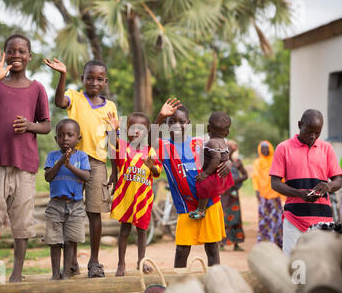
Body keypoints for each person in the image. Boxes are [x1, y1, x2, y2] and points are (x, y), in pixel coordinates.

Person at [0, 34, 51, 284]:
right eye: (11, 51)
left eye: (21, 51)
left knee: (22, 222)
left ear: (29, 57)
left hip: (25, 166)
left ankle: (17, 273)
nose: (16, 55)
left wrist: (29, 125)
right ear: (4, 54)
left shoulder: (37, 88)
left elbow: (47, 125)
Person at [45, 58, 118, 278]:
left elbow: (112, 137)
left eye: (99, 79)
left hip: (96, 164)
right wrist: (62, 75)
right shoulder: (75, 97)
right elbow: (59, 102)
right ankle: (71, 262)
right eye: (89, 78)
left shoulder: (110, 107)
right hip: (73, 160)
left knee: (94, 212)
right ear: (82, 79)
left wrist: (114, 169)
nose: (94, 82)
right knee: (71, 211)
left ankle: (94, 262)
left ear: (105, 81)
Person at [152, 99, 231, 268]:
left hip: (209, 204)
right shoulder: (164, 148)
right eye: (171, 122)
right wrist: (160, 116)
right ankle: (178, 286)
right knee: (182, 250)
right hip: (186, 207)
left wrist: (228, 162)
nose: (176, 126)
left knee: (212, 249)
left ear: (188, 123)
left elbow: (223, 149)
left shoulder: (200, 143)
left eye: (181, 122)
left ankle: (214, 284)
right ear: (166, 125)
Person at [270, 109, 342, 255]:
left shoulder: (327, 149)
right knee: (294, 266)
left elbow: (338, 180)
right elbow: (275, 183)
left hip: (323, 218)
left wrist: (328, 186)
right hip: (294, 218)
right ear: (299, 125)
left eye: (317, 133)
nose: (313, 136)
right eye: (309, 131)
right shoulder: (283, 148)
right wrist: (299, 193)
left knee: (321, 265)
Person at [104, 112, 162, 276]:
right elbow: (111, 147)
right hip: (126, 198)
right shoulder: (124, 149)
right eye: (133, 128)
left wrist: (151, 167)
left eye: (141, 128)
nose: (137, 131)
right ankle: (121, 263)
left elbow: (157, 172)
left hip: (143, 199)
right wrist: (114, 129)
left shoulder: (150, 151)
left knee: (142, 231)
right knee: (124, 231)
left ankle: (141, 262)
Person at [44, 119, 90, 280]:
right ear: (56, 139)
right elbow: (48, 177)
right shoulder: (52, 156)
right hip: (55, 205)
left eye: (70, 135)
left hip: (75, 205)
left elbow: (86, 176)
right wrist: (61, 161)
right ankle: (55, 273)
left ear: (78, 139)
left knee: (71, 240)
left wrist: (70, 166)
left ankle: (67, 272)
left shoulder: (82, 157)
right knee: (55, 241)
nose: (65, 138)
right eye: (61, 135)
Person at [189, 111, 234, 220]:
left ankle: (200, 210)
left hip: (214, 174)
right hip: (221, 174)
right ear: (227, 133)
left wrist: (206, 173)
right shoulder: (223, 142)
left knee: (203, 187)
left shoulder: (211, 143)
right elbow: (226, 156)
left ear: (209, 128)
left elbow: (216, 158)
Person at [252, 140, 284, 248]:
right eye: (262, 148)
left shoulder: (275, 160)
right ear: (259, 150)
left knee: (276, 218)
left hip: (275, 195)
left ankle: (276, 240)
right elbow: (255, 176)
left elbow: (281, 176)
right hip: (263, 195)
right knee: (264, 218)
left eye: (266, 148)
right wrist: (256, 190)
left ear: (270, 149)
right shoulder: (258, 162)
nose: (264, 150)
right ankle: (265, 241)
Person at [221, 140, 247, 251]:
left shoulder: (237, 162)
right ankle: (221, 244)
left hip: (233, 195)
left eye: (231, 148)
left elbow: (245, 175)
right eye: (227, 148)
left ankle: (236, 244)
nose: (229, 150)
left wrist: (235, 181)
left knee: (236, 218)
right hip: (223, 194)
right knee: (223, 218)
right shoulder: (220, 162)